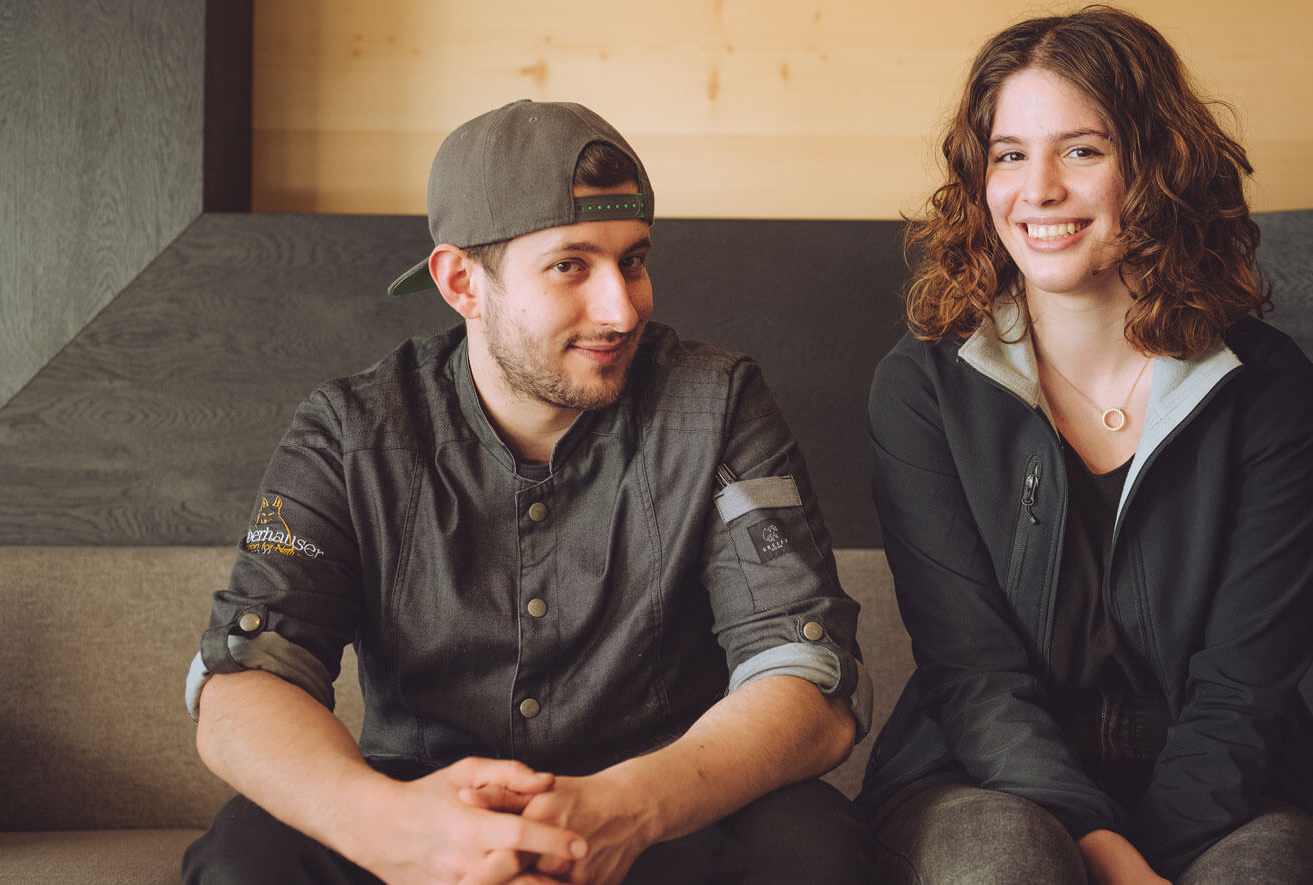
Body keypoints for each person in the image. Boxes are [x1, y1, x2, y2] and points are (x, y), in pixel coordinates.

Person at [181, 100, 873, 885]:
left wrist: (628, 805)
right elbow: (246, 677)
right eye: (570, 265)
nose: (621, 308)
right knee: (245, 853)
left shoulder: (716, 405)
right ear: (461, 281)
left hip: (663, 812)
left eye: (634, 260)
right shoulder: (350, 432)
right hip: (423, 811)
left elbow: (807, 675)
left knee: (813, 845)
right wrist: (388, 827)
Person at [857, 7, 1313, 884]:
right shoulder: (922, 389)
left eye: (1083, 150)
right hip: (979, 777)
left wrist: (1153, 856)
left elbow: (1244, 686)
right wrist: (1100, 852)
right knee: (1009, 867)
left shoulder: (1268, 388)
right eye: (1010, 154)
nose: (1040, 189)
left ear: (1159, 167)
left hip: (1230, 787)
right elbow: (973, 673)